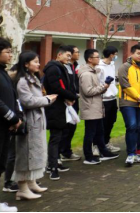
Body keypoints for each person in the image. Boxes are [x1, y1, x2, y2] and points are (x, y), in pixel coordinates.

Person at [11, 52, 57, 201]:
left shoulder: (33, 78)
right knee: (27, 155)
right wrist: (47, 100)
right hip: (29, 123)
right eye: (35, 62)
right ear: (26, 64)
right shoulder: (23, 81)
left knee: (36, 154)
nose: (38, 64)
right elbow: (27, 101)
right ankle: (22, 188)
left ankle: (32, 182)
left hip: (36, 121)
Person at [43, 45, 78, 181]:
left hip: (60, 105)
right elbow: (57, 87)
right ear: (59, 55)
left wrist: (69, 97)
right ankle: (52, 167)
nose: (69, 58)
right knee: (55, 137)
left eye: (70, 56)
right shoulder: (53, 68)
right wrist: (72, 97)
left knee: (60, 134)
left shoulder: (61, 67)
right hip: (54, 107)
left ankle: (55, 162)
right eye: (67, 55)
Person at [79, 49, 119, 166]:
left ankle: (103, 151)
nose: (99, 59)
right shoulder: (86, 74)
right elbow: (88, 91)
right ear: (90, 59)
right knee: (90, 133)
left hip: (96, 106)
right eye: (96, 57)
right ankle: (88, 156)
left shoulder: (93, 72)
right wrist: (104, 87)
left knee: (100, 131)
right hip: (90, 107)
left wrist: (104, 87)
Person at [119, 45, 140, 167]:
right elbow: (125, 84)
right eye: (138, 53)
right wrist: (138, 96)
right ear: (132, 53)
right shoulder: (125, 67)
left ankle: (134, 153)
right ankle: (130, 154)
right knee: (132, 126)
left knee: (138, 127)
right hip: (128, 102)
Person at [0, 38, 22, 213]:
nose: (10, 55)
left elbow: (12, 97)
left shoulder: (3, 72)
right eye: (7, 51)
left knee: (1, 164)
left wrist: (16, 117)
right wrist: (12, 118)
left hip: (5, 126)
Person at [60, 46, 81, 163]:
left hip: (74, 100)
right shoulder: (63, 67)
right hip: (66, 101)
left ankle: (67, 151)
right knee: (65, 128)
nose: (78, 54)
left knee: (72, 126)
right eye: (76, 52)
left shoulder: (76, 66)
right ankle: (62, 152)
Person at [98, 46, 120, 154]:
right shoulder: (99, 66)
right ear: (111, 54)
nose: (116, 56)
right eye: (115, 54)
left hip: (112, 98)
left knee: (111, 122)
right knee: (102, 124)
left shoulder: (112, 65)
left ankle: (106, 143)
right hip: (103, 99)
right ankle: (97, 145)